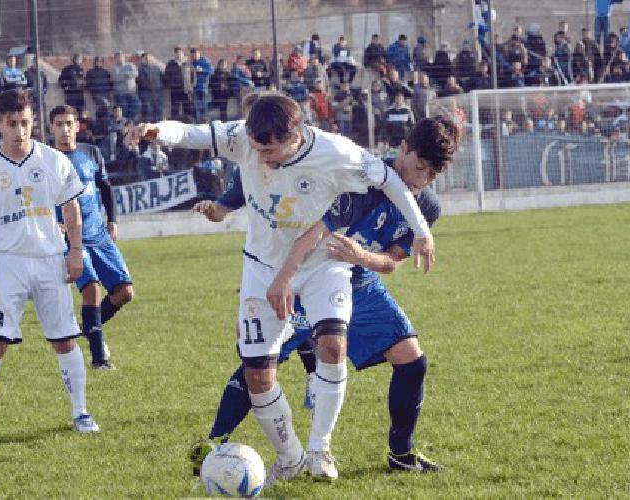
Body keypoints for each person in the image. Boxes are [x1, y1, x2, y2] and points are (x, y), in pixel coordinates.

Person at [127, 92, 437, 484]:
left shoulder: (335, 151)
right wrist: (159, 132)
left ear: (296, 135)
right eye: (256, 148)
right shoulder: (243, 137)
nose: (262, 158)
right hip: (261, 267)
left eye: (271, 150)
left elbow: (391, 180)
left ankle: (320, 448)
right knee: (258, 375)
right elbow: (193, 132)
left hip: (324, 262)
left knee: (332, 344)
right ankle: (290, 457)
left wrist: (422, 231)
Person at [187, 116, 460, 475]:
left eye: (431, 176)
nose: (421, 180)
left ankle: (400, 454)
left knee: (412, 360)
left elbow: (392, 262)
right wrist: (274, 272)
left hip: (359, 282)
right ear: (404, 149)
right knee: (260, 364)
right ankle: (216, 441)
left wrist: (361, 257)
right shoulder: (361, 176)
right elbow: (274, 190)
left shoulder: (427, 207)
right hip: (309, 275)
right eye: (419, 167)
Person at [0, 89, 97, 442]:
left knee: (65, 340)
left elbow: (71, 209)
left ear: (33, 122)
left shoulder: (54, 161)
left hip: (50, 259)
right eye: (12, 124)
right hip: (7, 265)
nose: (19, 131)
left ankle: (81, 411)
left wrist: (75, 250)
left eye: (25, 123)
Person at [46, 104, 135, 370]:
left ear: (77, 126)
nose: (65, 130)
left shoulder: (90, 152)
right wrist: (53, 224)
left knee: (125, 292)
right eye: (59, 124)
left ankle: (88, 327)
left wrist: (112, 221)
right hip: (72, 238)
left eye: (69, 124)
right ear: (51, 128)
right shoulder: (45, 160)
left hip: (99, 234)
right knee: (92, 290)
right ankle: (100, 360)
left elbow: (105, 187)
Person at [111, 51, 140, 123]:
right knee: (124, 109)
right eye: (117, 57)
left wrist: (126, 74)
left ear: (123, 57)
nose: (119, 58)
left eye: (121, 56)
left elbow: (136, 73)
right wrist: (125, 76)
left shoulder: (130, 65)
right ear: (115, 59)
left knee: (137, 105)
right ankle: (125, 124)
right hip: (120, 93)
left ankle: (128, 121)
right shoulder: (114, 68)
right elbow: (115, 78)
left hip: (132, 92)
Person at [191, 48, 213, 123]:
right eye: (193, 55)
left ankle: (205, 122)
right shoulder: (191, 63)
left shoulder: (205, 61)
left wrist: (202, 70)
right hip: (194, 88)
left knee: (204, 106)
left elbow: (211, 71)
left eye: (196, 54)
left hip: (203, 87)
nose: (194, 56)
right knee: (196, 106)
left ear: (199, 54)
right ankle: (198, 122)